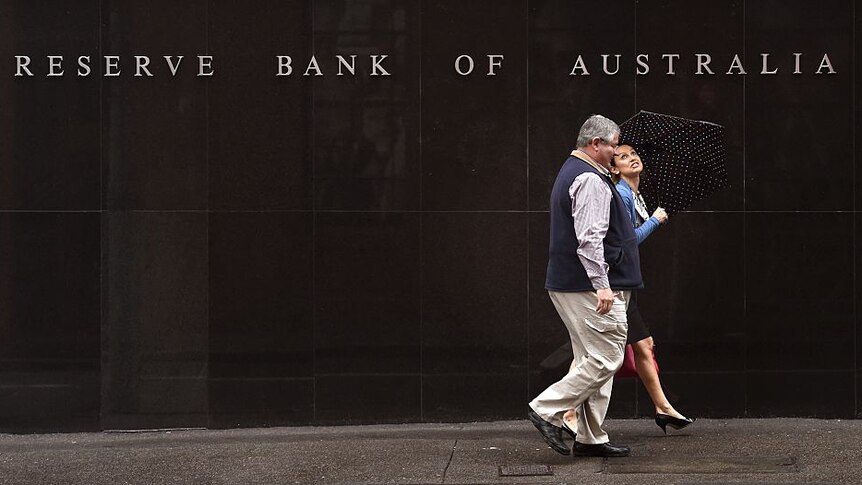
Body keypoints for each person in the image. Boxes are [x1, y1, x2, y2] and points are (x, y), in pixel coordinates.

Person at [560, 144, 696, 435]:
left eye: (634, 154)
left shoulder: (634, 194)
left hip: (625, 282)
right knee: (591, 354)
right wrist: (655, 222)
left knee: (643, 346)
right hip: (616, 282)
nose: (632, 158)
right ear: (613, 167)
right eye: (623, 156)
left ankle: (663, 407)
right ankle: (567, 410)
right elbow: (626, 239)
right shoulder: (620, 193)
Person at [527, 115, 642, 458]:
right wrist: (602, 286)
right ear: (595, 144)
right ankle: (547, 409)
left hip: (574, 284)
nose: (615, 152)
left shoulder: (577, 172)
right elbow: (589, 240)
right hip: (586, 287)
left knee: (592, 358)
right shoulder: (590, 180)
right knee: (608, 357)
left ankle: (591, 438)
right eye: (612, 146)